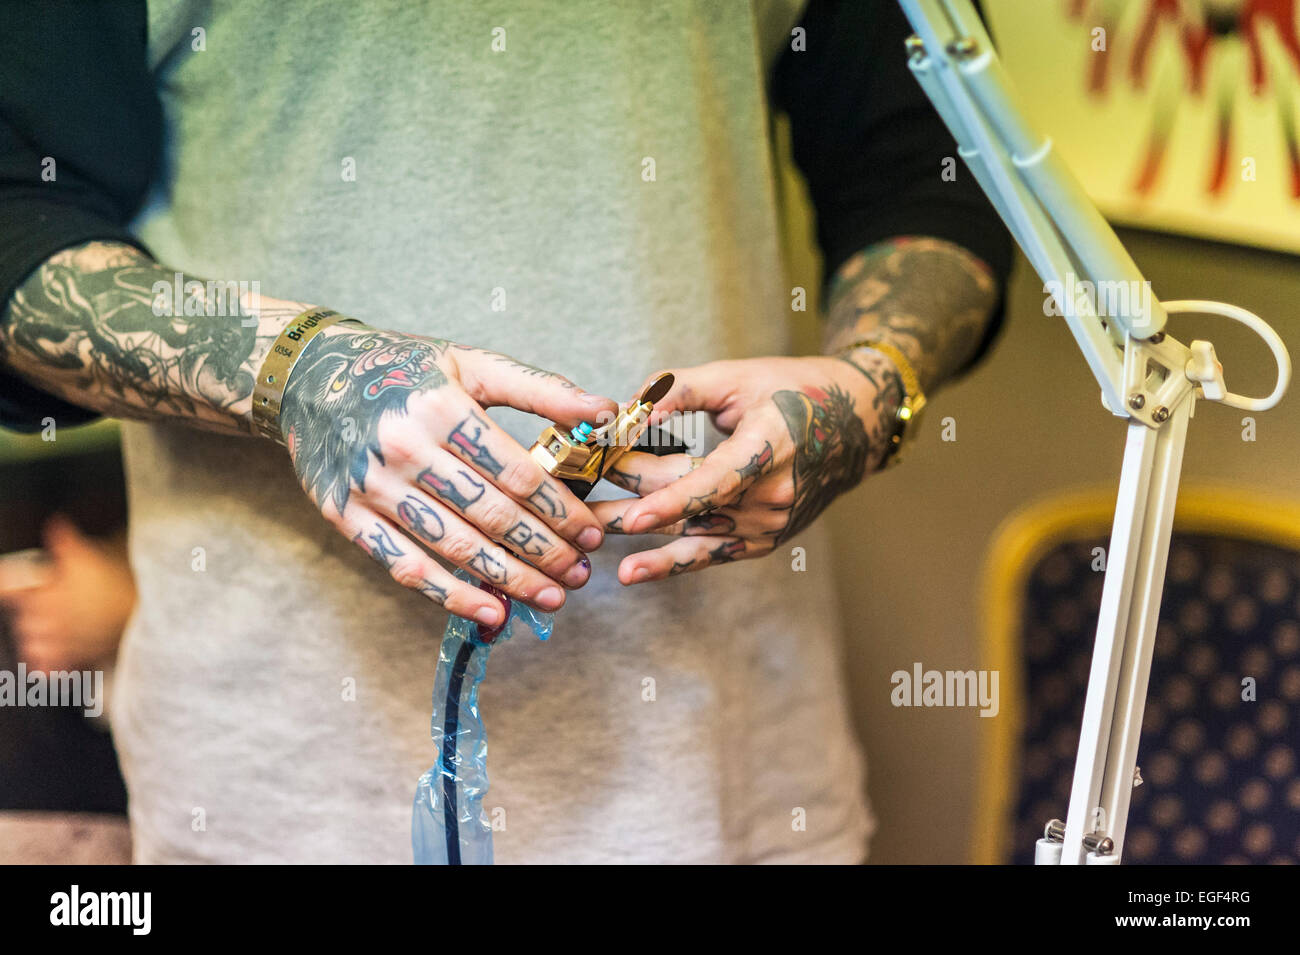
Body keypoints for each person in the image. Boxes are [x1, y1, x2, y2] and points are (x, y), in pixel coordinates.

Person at [0, 0, 1010, 863]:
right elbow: (17, 219)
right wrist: (298, 375)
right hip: (281, 784)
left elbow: (931, 177)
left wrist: (871, 388)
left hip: (732, 763)